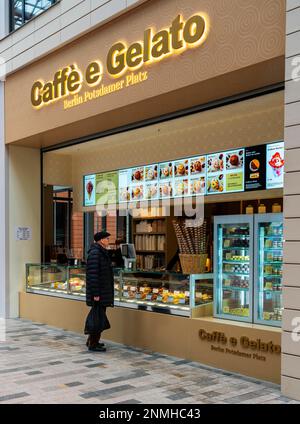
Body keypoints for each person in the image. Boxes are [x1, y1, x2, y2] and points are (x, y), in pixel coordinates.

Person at [85, 231, 114, 352]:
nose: (108, 241)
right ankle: (93, 343)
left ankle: (92, 341)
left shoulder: (101, 252)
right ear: (101, 240)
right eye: (107, 239)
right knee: (97, 318)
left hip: (102, 291)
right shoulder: (96, 253)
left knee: (98, 317)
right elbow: (93, 275)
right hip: (99, 293)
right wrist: (96, 294)